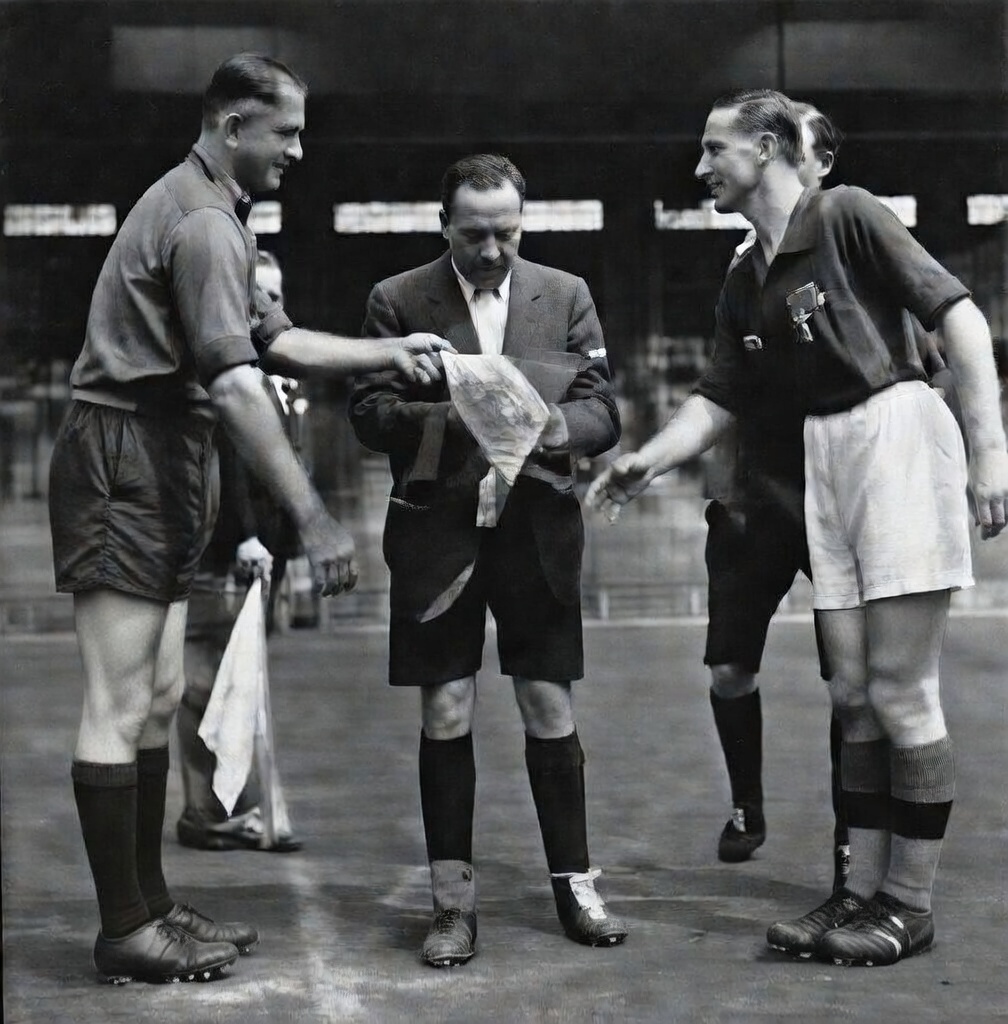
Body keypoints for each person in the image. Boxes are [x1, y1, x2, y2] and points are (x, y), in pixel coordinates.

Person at [48, 52, 450, 986]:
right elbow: (235, 384)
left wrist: (389, 351)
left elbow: (273, 339)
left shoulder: (218, 212)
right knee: (118, 702)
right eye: (287, 133)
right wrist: (313, 519)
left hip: (160, 454)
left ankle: (148, 907)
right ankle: (124, 930)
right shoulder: (201, 223)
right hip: (126, 452)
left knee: (152, 699)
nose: (299, 152)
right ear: (235, 126)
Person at [587, 89, 1007, 967]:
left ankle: (909, 905)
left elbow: (958, 315)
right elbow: (719, 396)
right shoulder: (747, 274)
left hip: (890, 428)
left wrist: (989, 455)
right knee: (851, 696)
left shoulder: (846, 215)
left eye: (715, 149)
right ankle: (857, 894)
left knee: (900, 691)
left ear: (770, 148)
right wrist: (648, 459)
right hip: (824, 455)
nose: (700, 167)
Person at [349, 153, 628, 968]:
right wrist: (455, 413)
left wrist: (550, 430)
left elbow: (602, 409)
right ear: (445, 226)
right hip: (437, 536)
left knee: (549, 705)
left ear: (522, 222)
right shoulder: (397, 301)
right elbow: (368, 413)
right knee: (446, 711)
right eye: (474, 235)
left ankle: (575, 885)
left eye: (508, 232)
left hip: (538, 530)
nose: (493, 251)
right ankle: (451, 904)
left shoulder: (565, 294)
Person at [703, 103, 850, 890]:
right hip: (756, 498)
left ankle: (849, 843)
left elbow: (927, 351)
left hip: (836, 499)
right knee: (729, 667)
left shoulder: (849, 246)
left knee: (850, 682)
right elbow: (719, 389)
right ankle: (746, 805)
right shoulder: (742, 269)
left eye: (813, 153)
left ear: (816, 164)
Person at [175, 249, 304, 853]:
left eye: (276, 297)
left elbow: (279, 473)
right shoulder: (227, 376)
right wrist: (248, 536)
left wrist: (291, 553)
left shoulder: (272, 378)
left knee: (239, 683)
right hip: (223, 553)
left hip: (259, 557)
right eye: (259, 297)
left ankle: (231, 808)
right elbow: (230, 461)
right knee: (207, 686)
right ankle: (210, 813)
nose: (269, 309)